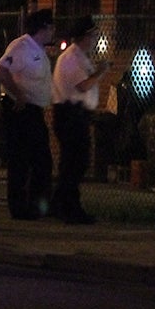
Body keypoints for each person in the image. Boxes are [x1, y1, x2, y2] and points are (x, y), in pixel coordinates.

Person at [0, 9, 58, 220]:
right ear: (43, 28)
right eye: (51, 27)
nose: (53, 31)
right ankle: (21, 207)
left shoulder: (37, 49)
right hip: (20, 110)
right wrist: (19, 94)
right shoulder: (21, 46)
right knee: (22, 159)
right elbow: (0, 69)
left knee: (39, 159)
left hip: (33, 109)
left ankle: (36, 205)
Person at [50, 15, 110, 224]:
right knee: (75, 163)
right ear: (85, 36)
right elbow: (82, 85)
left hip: (78, 115)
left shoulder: (80, 57)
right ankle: (69, 208)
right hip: (71, 115)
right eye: (92, 35)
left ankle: (60, 203)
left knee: (74, 163)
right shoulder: (71, 59)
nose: (94, 40)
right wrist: (101, 72)